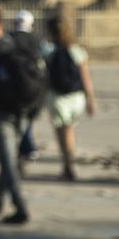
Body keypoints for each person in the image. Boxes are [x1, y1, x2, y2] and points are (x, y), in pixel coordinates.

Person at [0, 6, 44, 225]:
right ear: (1, 24)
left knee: (8, 161)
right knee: (9, 157)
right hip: (25, 109)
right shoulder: (17, 44)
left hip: (1, 112)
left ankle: (20, 207)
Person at [43, 15, 96, 181]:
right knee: (69, 130)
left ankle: (68, 165)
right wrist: (90, 100)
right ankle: (68, 163)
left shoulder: (48, 50)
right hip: (77, 98)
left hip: (57, 97)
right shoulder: (76, 50)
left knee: (63, 133)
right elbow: (85, 78)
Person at [11, 10, 42, 170]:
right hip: (34, 88)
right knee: (27, 120)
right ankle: (27, 149)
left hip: (12, 88)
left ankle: (25, 149)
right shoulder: (37, 40)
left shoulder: (9, 38)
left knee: (16, 122)